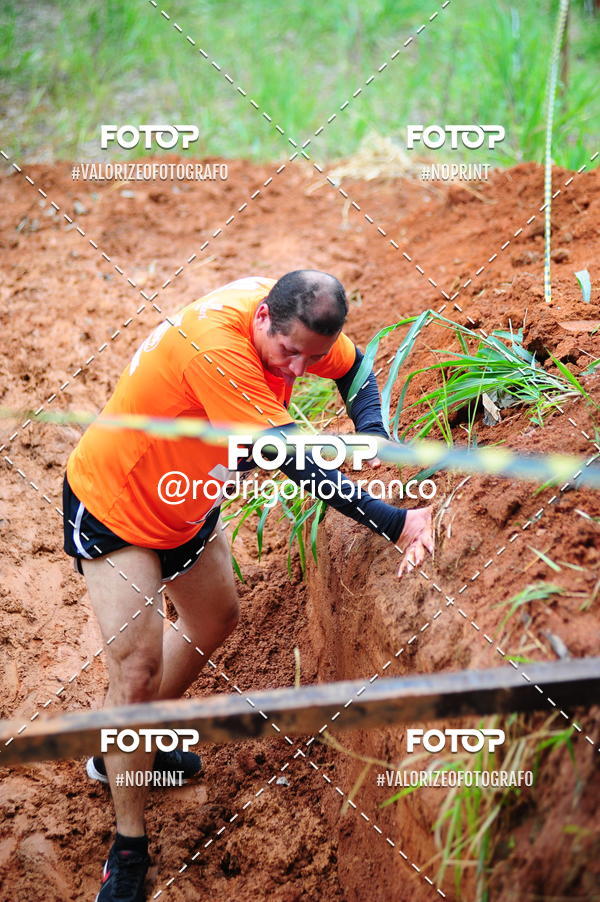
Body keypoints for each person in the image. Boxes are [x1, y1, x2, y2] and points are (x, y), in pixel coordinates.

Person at [62, 270, 433, 901]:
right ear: (263, 318)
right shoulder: (218, 350)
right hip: (117, 506)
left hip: (187, 503)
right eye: (289, 354)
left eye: (310, 357)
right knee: (137, 673)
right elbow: (297, 464)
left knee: (215, 619)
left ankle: (124, 745)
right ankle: (127, 845)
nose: (298, 369)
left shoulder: (297, 316)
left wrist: (373, 431)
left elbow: (354, 367)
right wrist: (396, 523)